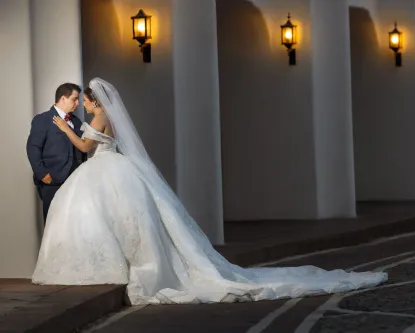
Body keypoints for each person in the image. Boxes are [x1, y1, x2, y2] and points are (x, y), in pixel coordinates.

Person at [31, 78, 388, 305]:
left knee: (104, 219)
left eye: (86, 100)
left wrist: (63, 130)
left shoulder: (96, 119)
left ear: (95, 102)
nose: (84, 104)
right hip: (114, 169)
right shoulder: (105, 117)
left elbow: (85, 145)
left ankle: (108, 266)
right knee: (126, 220)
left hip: (102, 166)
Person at [26, 83, 86, 222]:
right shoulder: (43, 119)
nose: (78, 103)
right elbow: (33, 147)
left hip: (76, 181)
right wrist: (42, 173)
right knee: (53, 224)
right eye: (74, 99)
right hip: (52, 180)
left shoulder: (76, 121)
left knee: (74, 224)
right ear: (63, 98)